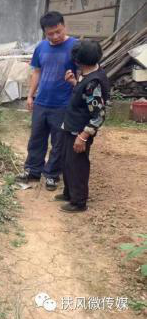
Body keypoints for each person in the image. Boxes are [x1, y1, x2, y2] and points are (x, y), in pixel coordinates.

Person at [18, 11, 77, 189]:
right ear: (44, 32)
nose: (55, 36)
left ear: (64, 26)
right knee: (36, 138)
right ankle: (33, 170)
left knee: (59, 141)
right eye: (50, 34)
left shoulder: (76, 46)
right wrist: (30, 95)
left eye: (58, 31)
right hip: (41, 102)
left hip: (63, 104)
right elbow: (37, 72)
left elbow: (83, 72)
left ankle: (52, 174)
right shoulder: (41, 47)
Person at [55, 41, 110, 212]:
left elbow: (99, 115)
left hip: (79, 131)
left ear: (79, 61)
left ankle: (78, 202)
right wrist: (74, 82)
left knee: (77, 166)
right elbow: (85, 96)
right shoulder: (88, 74)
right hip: (70, 125)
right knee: (67, 162)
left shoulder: (94, 83)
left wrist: (83, 137)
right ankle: (69, 193)